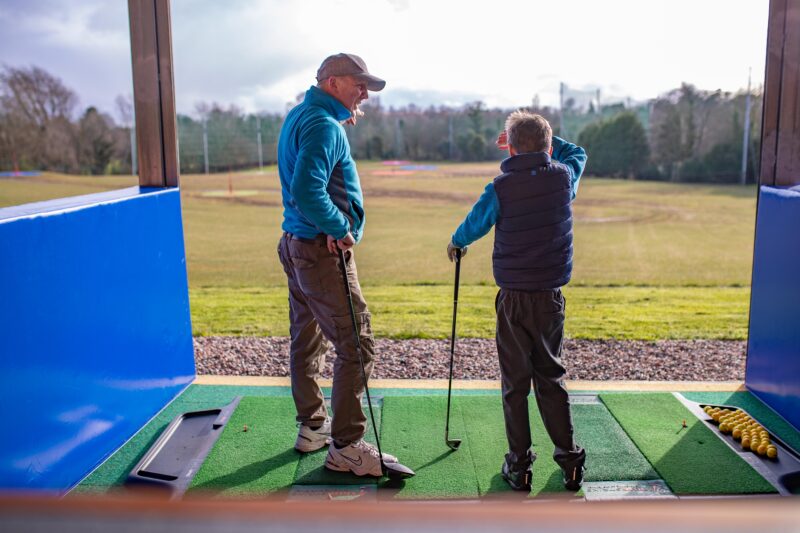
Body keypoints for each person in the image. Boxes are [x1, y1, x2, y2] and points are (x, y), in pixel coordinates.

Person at [446, 110, 587, 492]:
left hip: (513, 300)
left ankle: (520, 466)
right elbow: (578, 152)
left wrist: (457, 242)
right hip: (549, 299)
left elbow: (474, 224)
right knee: (551, 378)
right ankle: (570, 462)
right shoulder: (563, 179)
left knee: (515, 384)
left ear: (509, 147)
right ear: (549, 146)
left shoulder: (501, 186)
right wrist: (544, 140)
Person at [276, 53, 400, 477]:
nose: (364, 92)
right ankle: (346, 446)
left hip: (296, 245)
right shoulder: (324, 126)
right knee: (357, 345)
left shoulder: (301, 114)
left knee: (306, 339)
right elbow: (308, 190)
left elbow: (305, 188)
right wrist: (339, 227)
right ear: (332, 83)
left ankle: (313, 427)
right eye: (357, 83)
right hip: (321, 252)